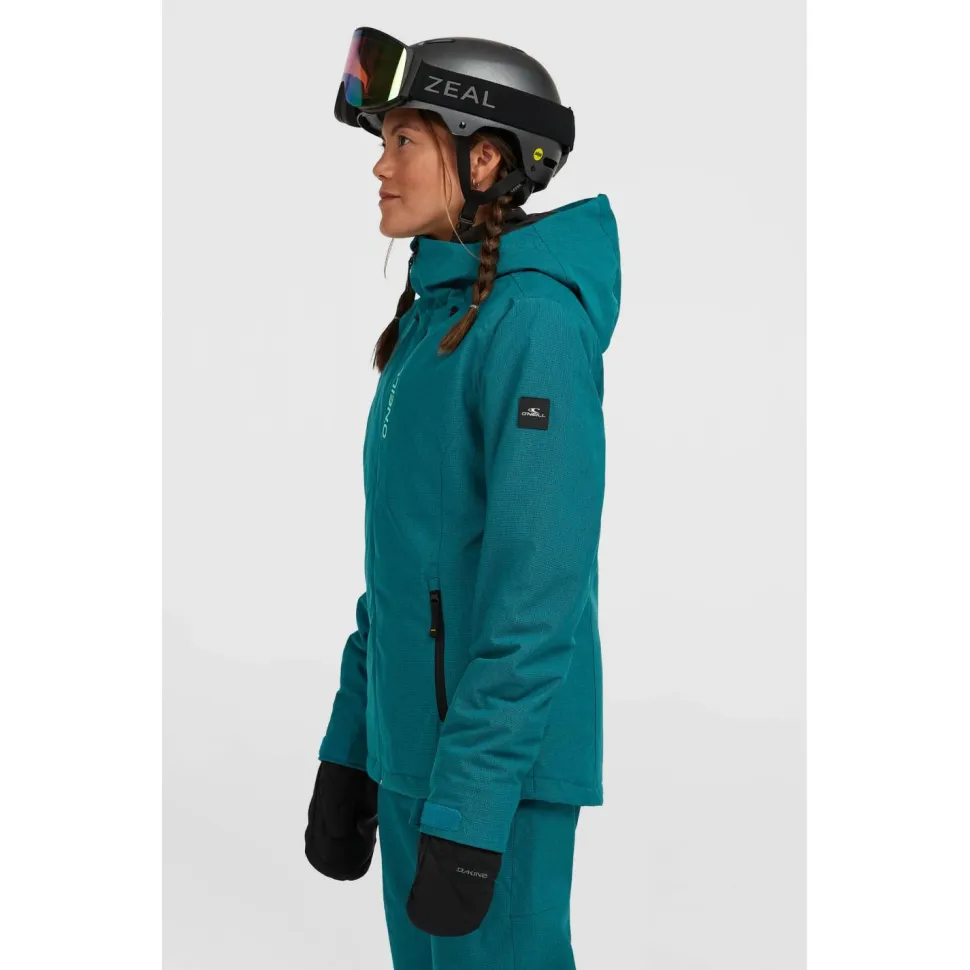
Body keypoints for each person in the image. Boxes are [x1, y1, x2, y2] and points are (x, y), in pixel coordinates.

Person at [305, 28, 622, 970]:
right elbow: (404, 568)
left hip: (495, 780)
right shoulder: (435, 319)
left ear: (485, 161)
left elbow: (538, 597)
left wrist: (473, 804)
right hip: (416, 759)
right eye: (382, 141)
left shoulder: (534, 325)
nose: (381, 166)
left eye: (404, 140)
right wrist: (351, 747)